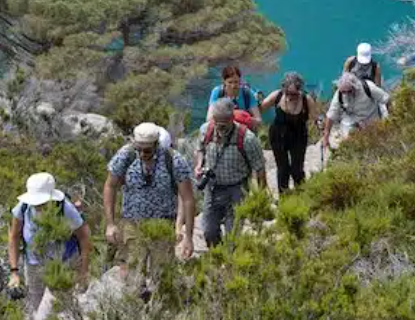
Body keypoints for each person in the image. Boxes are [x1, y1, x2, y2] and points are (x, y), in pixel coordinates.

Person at [103, 123, 196, 300]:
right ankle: (135, 313)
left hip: (162, 224)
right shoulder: (125, 156)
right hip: (133, 223)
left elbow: (188, 198)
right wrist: (110, 223)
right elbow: (110, 185)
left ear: (156, 145)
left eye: (147, 150)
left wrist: (188, 236)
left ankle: (162, 312)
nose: (142, 154)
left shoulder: (173, 160)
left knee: (162, 274)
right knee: (133, 273)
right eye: (139, 149)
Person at [7, 172, 92, 320]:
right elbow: (14, 237)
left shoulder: (66, 209)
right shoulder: (23, 209)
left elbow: (84, 238)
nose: (38, 205)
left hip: (64, 265)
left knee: (56, 311)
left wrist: (83, 272)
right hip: (34, 266)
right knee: (36, 309)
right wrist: (14, 272)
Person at [196, 98, 267, 248]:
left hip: (237, 190)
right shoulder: (205, 130)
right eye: (217, 124)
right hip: (213, 188)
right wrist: (199, 164)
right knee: (209, 232)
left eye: (223, 125)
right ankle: (217, 255)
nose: (219, 129)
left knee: (233, 235)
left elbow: (259, 168)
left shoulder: (247, 139)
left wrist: (261, 196)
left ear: (231, 119)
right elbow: (200, 149)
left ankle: (230, 263)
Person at [259, 72, 318, 193]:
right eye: (288, 93)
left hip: (299, 136)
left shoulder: (306, 100)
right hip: (278, 135)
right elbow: (260, 108)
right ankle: (284, 197)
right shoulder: (277, 95)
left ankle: (301, 193)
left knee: (297, 168)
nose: (291, 96)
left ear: (299, 90)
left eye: (294, 94)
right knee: (283, 168)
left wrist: (320, 124)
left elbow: (314, 117)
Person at [322, 72, 390, 151]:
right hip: (352, 120)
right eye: (343, 92)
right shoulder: (339, 94)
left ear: (355, 87)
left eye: (349, 91)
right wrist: (326, 137)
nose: (346, 94)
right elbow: (331, 115)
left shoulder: (369, 88)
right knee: (349, 141)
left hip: (371, 117)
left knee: (375, 142)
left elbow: (386, 99)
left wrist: (388, 119)